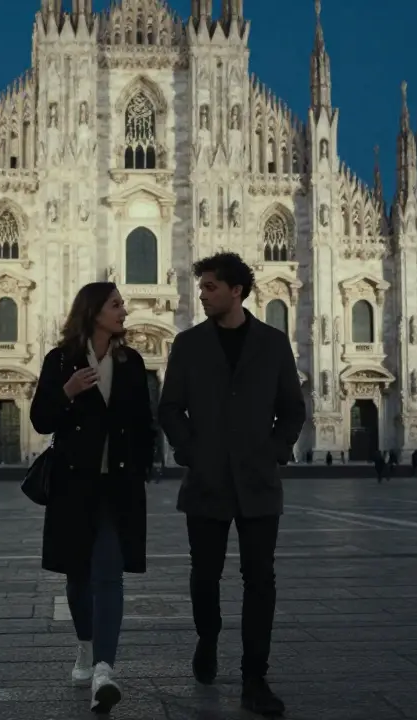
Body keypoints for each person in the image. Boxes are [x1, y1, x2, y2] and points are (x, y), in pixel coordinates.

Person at [158, 252, 305, 717]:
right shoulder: (188, 344)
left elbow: (293, 408)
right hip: (206, 481)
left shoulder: (273, 342)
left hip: (259, 482)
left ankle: (254, 677)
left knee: (260, 580)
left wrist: (276, 449)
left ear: (237, 290)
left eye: (210, 287)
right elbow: (169, 408)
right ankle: (208, 635)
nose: (202, 294)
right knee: (205, 575)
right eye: (201, 287)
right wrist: (189, 452)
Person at [29, 281, 154, 714]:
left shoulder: (131, 361)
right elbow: (42, 419)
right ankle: (86, 648)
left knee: (109, 573)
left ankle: (104, 668)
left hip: (117, 486)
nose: (124, 310)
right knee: (78, 576)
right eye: (116, 304)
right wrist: (67, 391)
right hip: (72, 484)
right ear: (94, 311)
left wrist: (142, 464)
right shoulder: (59, 360)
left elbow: (143, 421)